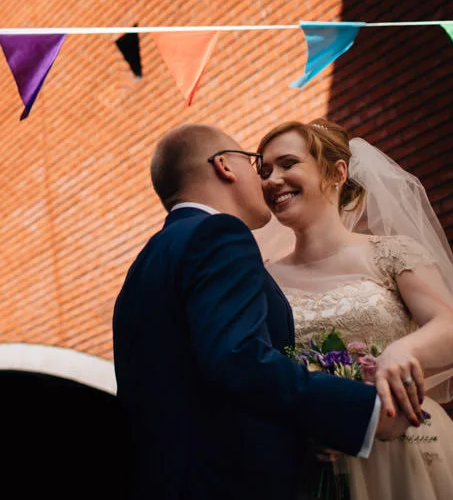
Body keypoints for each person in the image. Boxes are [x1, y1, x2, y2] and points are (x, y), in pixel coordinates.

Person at [113, 123, 419, 500]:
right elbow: (238, 359)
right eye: (256, 164)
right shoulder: (221, 235)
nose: (265, 181)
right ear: (225, 166)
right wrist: (367, 413)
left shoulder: (143, 265)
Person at [257, 119, 453, 499]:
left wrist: (404, 350)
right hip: (316, 460)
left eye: (287, 164)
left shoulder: (390, 253)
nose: (271, 180)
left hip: (404, 450)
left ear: (336, 172)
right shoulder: (263, 279)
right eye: (264, 171)